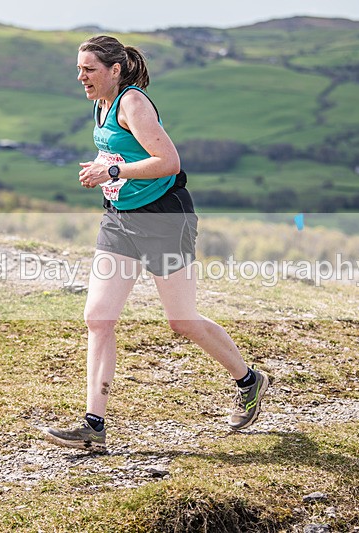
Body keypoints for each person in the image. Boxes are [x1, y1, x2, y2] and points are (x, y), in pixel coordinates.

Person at [42, 35, 269, 452]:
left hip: (165, 217)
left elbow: (169, 162)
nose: (81, 77)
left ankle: (249, 380)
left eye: (89, 70)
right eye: (79, 69)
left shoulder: (133, 103)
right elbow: (120, 154)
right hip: (119, 220)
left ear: (114, 70)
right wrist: (107, 168)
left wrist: (113, 173)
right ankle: (94, 425)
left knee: (181, 321)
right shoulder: (102, 103)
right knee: (99, 317)